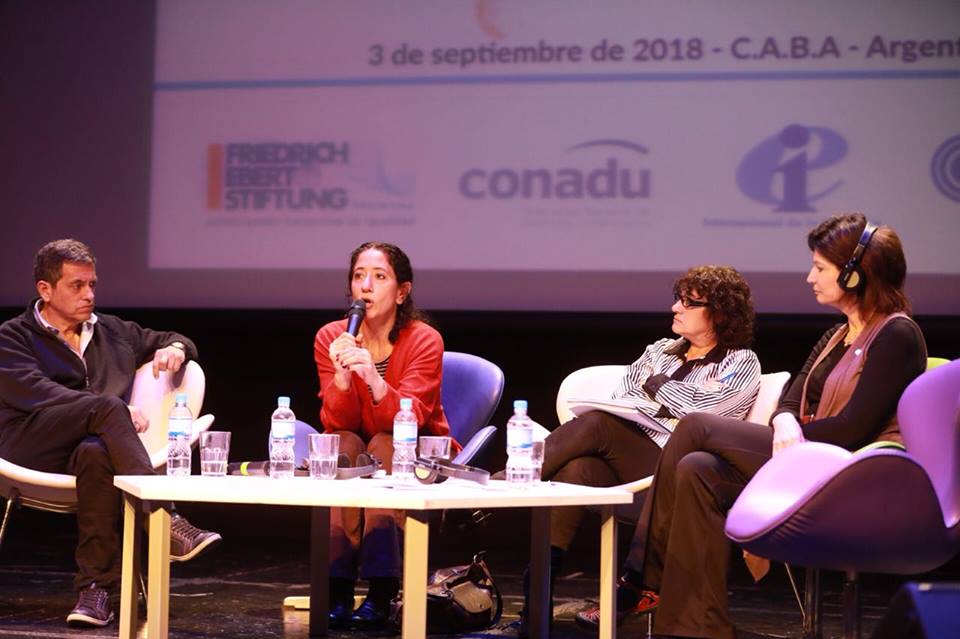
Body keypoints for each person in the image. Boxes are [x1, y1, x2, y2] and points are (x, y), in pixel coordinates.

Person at [578, 213, 927, 638]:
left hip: (848, 471)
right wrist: (785, 420)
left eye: (820, 268)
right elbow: (790, 400)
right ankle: (698, 626)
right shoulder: (836, 336)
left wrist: (794, 433)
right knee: (696, 469)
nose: (810, 278)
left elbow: (854, 428)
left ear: (855, 274)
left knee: (695, 426)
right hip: (801, 455)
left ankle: (638, 577)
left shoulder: (896, 335)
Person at [522, 265, 762, 632]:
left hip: (674, 469)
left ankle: (506, 481)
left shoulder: (740, 361)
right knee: (576, 471)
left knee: (597, 424)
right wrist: (664, 394)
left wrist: (657, 386)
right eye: (678, 299)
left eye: (689, 303)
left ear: (719, 313)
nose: (675, 308)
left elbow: (706, 412)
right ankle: (534, 606)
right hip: (627, 458)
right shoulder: (660, 350)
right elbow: (626, 395)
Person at [0, 239, 221, 628]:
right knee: (106, 408)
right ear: (45, 290)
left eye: (92, 285)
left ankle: (95, 592)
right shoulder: (12, 335)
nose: (89, 295)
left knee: (96, 452)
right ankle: (165, 518)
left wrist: (175, 348)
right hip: (28, 444)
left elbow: (174, 338)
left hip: (84, 449)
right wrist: (108, 409)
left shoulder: (110, 331)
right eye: (77, 285)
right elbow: (34, 391)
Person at [313, 241, 454, 630]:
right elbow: (335, 420)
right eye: (358, 276)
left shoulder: (424, 339)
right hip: (357, 443)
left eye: (379, 277)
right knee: (340, 445)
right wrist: (342, 378)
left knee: (384, 444)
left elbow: (412, 417)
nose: (365, 287)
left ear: (402, 291)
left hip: (413, 449)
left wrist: (373, 379)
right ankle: (337, 588)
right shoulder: (331, 337)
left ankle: (382, 588)